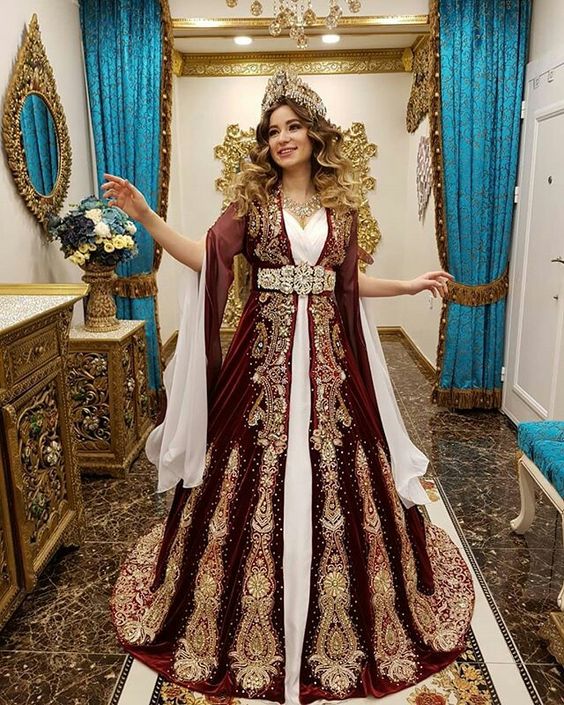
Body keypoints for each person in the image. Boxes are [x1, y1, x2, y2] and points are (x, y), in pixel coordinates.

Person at [103, 68, 474, 705]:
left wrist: (409, 284)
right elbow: (206, 257)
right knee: (241, 470)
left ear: (314, 134)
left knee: (348, 466)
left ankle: (352, 623)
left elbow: (347, 285)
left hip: (331, 365)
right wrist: (145, 217)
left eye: (293, 126)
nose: (282, 138)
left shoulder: (341, 209)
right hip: (262, 366)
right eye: (273, 130)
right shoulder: (251, 205)